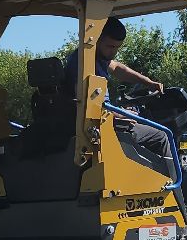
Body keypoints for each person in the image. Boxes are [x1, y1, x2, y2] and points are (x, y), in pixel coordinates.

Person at [67, 17, 172, 163]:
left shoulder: (91, 57)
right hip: (99, 128)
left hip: (102, 122)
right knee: (161, 136)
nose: (113, 52)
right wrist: (120, 115)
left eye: (117, 47)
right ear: (96, 39)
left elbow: (116, 67)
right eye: (110, 46)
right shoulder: (85, 65)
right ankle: (173, 184)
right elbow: (89, 107)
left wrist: (147, 82)